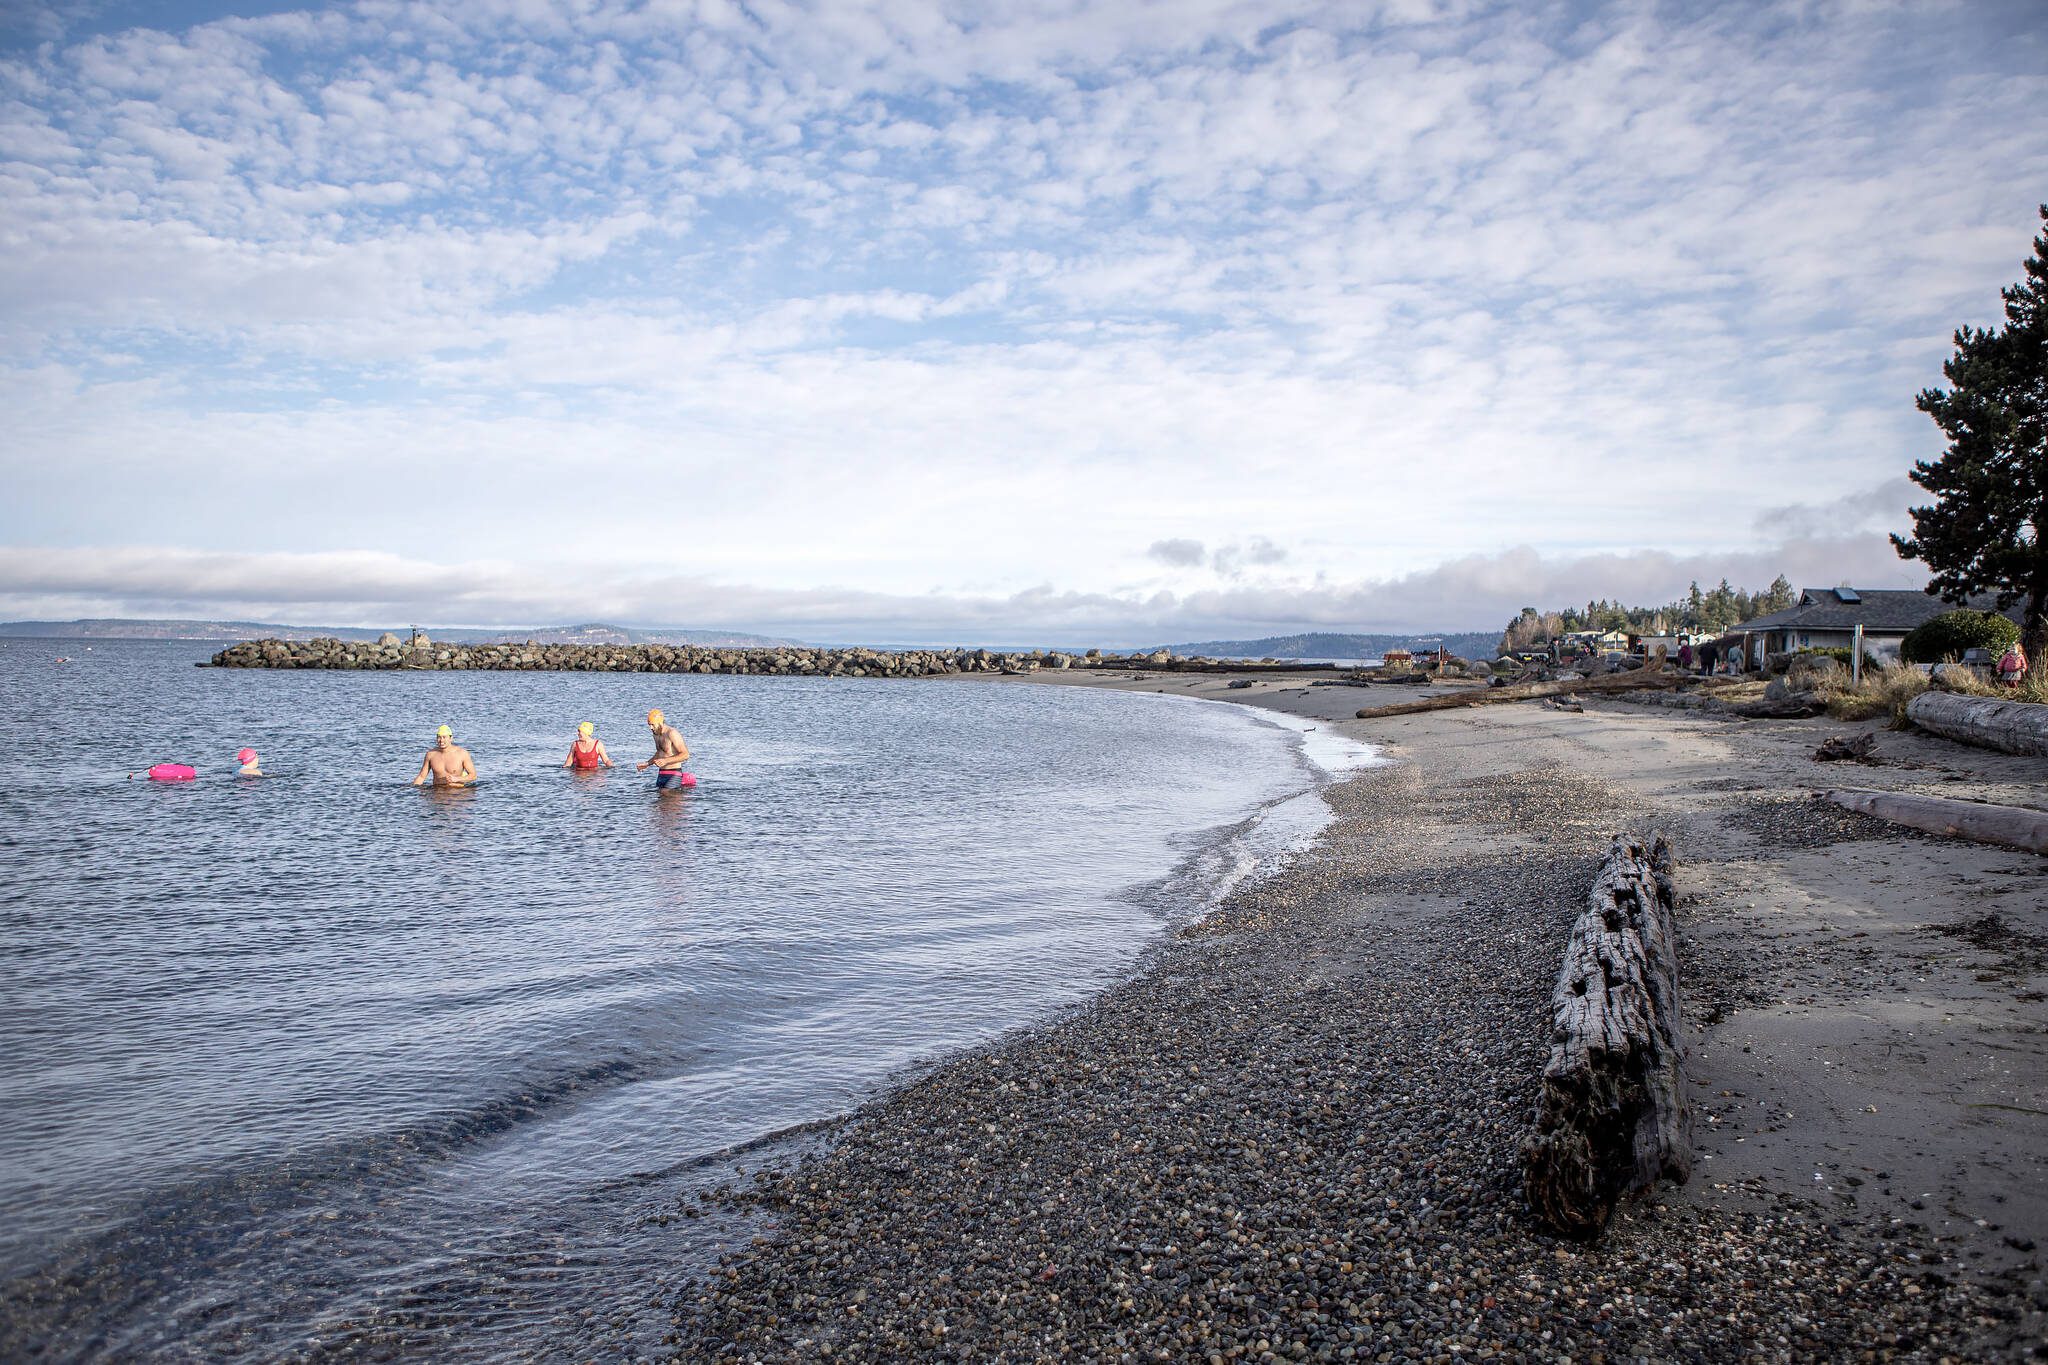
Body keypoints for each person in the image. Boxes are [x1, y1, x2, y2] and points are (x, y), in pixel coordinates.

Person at [637, 709, 693, 789]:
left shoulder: (672, 733)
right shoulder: (656, 734)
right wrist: (647, 763)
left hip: (673, 774)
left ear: (660, 722)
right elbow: (660, 752)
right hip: (661, 774)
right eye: (649, 725)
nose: (650, 728)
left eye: (653, 725)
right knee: (659, 799)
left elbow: (685, 755)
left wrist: (665, 761)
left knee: (667, 797)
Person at [412, 724, 476, 787]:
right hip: (437, 792)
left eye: (444, 737)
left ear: (451, 738)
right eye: (439, 737)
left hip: (456, 793)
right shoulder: (431, 754)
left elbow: (473, 776)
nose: (441, 740)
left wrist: (456, 779)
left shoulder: (462, 753)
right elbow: (421, 777)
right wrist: (413, 790)